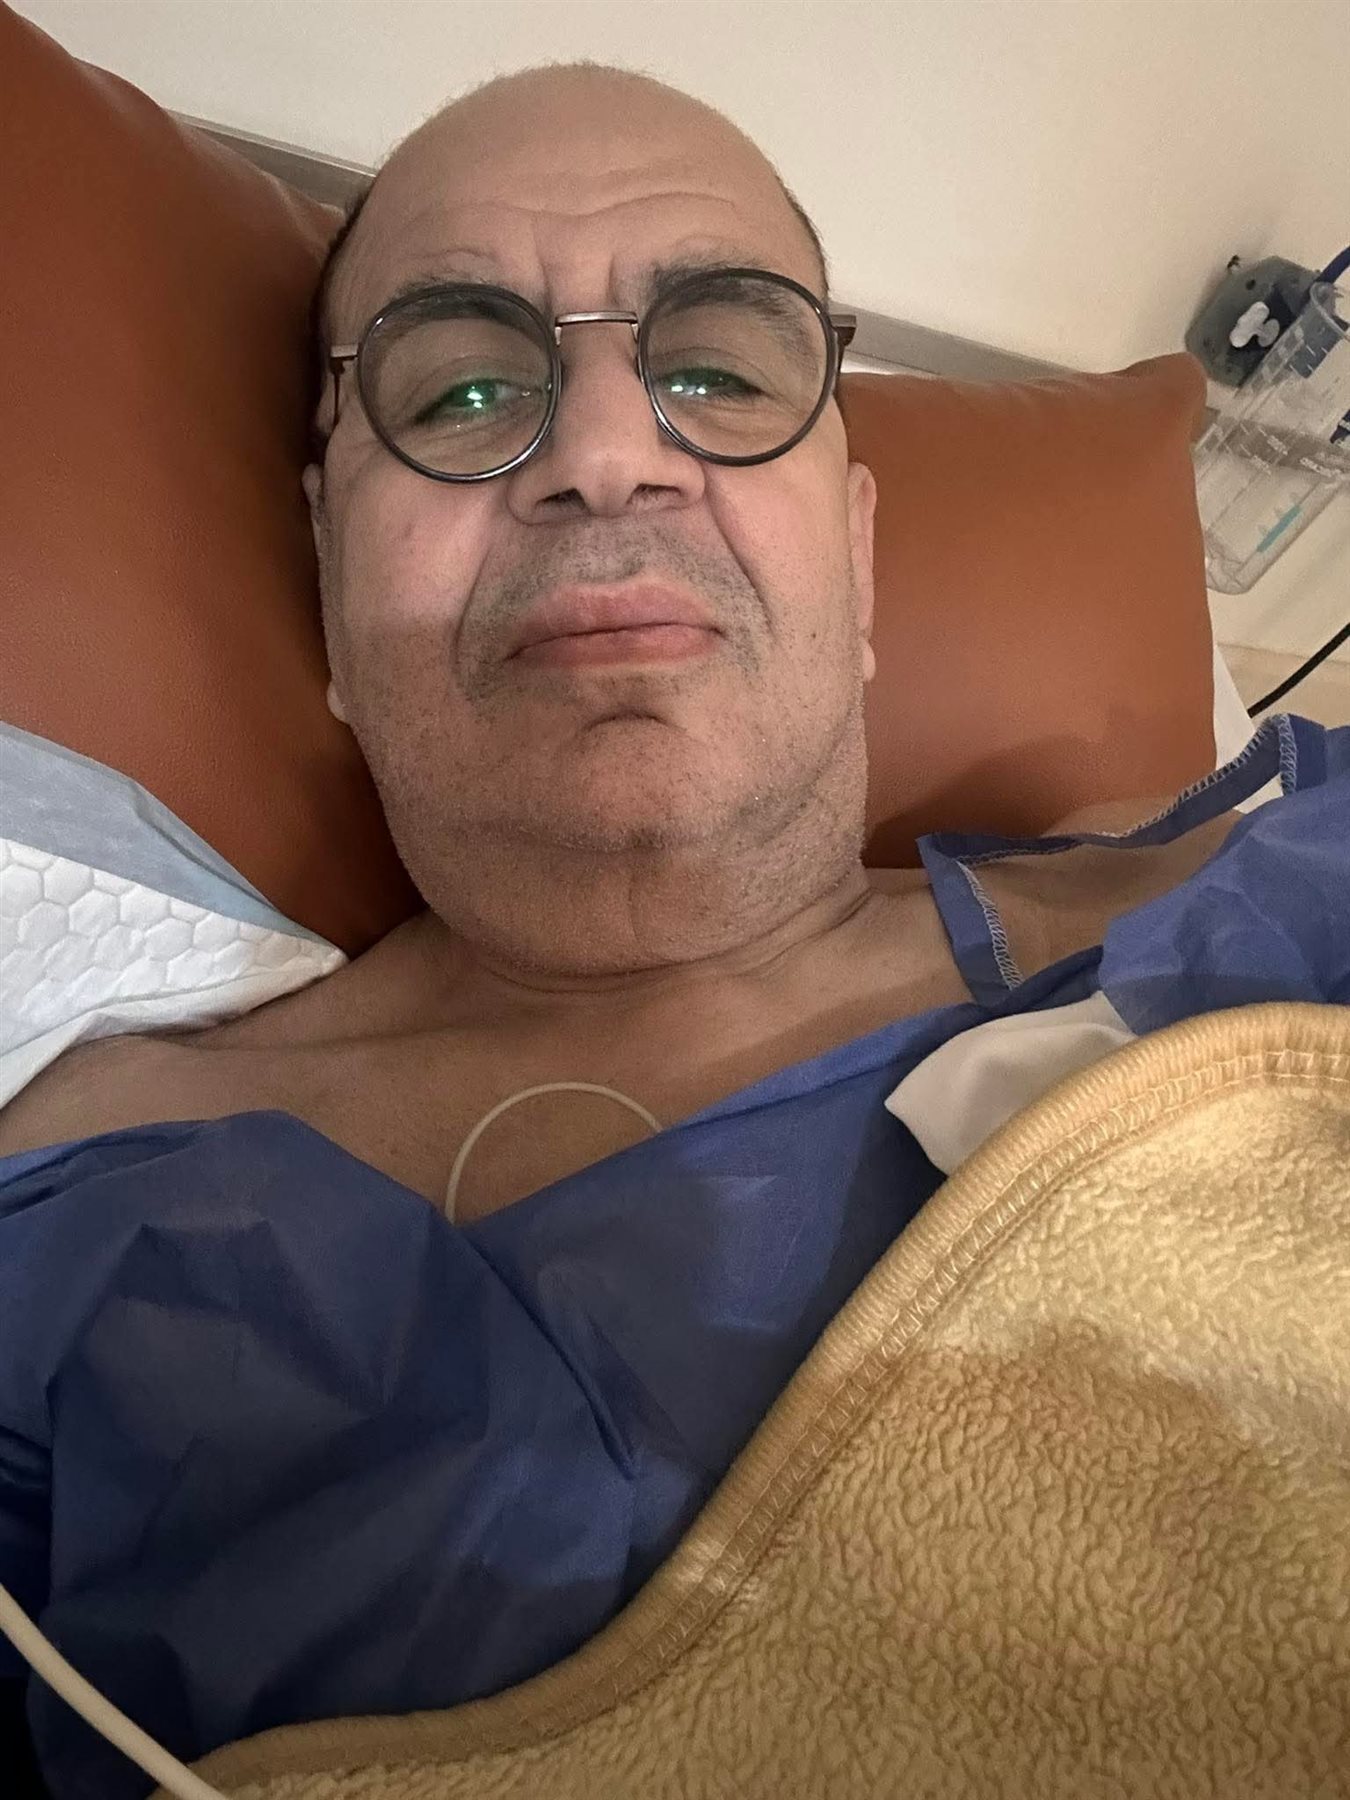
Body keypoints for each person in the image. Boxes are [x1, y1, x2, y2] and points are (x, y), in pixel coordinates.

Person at [1, 61, 1347, 1800]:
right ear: (330, 579)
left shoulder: (1264, 881)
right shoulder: (83, 1215)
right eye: (460, 390)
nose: (605, 456)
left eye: (718, 370)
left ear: (857, 561)